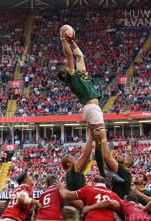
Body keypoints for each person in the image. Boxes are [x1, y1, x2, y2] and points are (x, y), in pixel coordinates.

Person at [57, 26, 106, 180]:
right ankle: (103, 175)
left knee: (99, 140)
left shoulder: (81, 75)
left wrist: (73, 42)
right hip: (91, 107)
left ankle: (103, 174)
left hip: (93, 107)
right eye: (66, 69)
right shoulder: (71, 77)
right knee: (101, 139)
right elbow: (70, 56)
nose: (69, 68)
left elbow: (79, 55)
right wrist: (64, 39)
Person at [96, 130, 141, 221]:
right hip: (118, 208)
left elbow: (107, 156)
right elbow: (103, 159)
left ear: (128, 163)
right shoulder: (119, 172)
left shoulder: (124, 170)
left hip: (121, 209)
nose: (121, 155)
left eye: (125, 156)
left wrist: (103, 138)